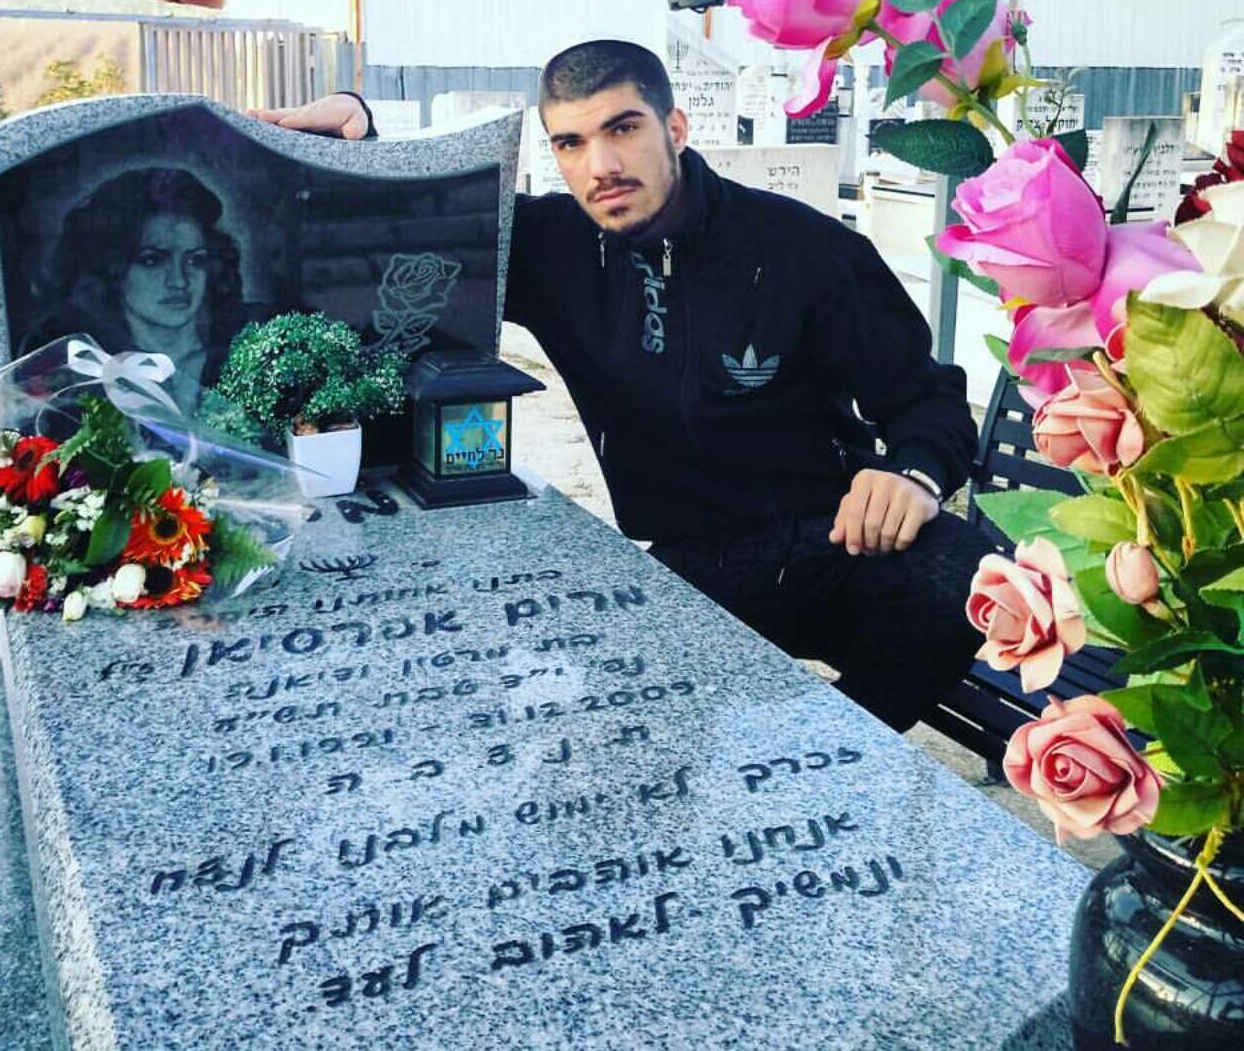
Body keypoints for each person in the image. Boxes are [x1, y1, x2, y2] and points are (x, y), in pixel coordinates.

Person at [249, 45, 989, 732]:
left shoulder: (808, 251)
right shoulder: (549, 245)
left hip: (831, 544)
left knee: (960, 576)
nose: (600, 165)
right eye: (570, 143)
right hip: (689, 569)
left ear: (675, 127)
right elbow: (420, 216)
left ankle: (830, 756)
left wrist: (913, 474)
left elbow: (928, 402)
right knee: (587, 725)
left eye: (623, 128)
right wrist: (360, 129)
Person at [36, 168, 250, 413]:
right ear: (114, 268)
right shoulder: (84, 368)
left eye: (195, 260)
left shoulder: (242, 355)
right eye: (152, 260)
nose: (179, 281)